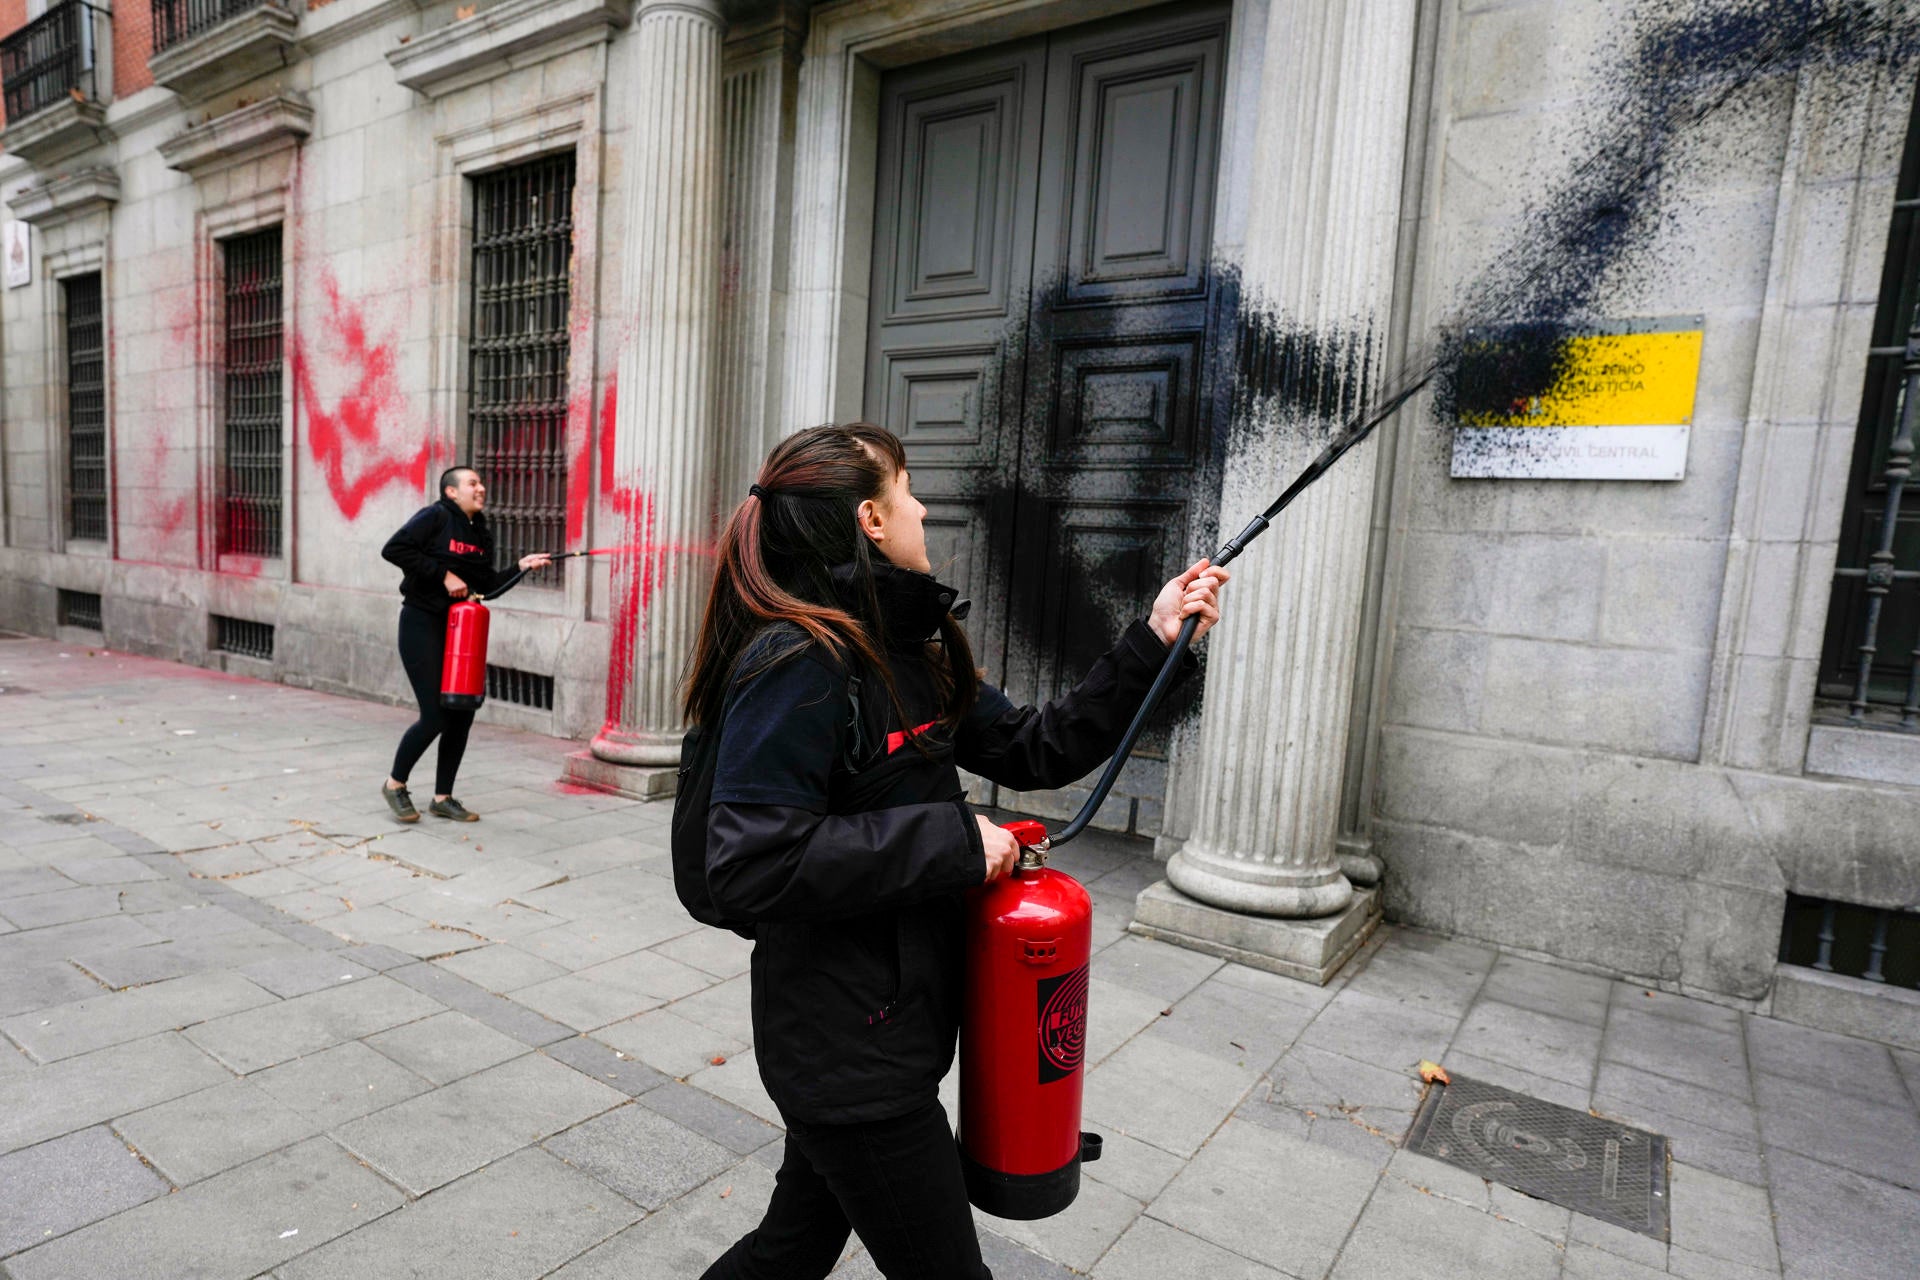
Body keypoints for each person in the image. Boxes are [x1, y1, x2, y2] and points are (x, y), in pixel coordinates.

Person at [687, 423, 1228, 1280]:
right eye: (909, 491)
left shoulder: (909, 647)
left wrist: (1153, 641)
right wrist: (953, 839)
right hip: (848, 1053)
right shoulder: (801, 660)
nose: (925, 507)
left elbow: (1032, 747)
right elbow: (750, 859)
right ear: (872, 517)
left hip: (890, 1027)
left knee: (788, 1251)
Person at [378, 466, 551, 822]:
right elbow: (393, 548)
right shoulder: (436, 516)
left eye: (481, 483)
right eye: (472, 483)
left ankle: (443, 797)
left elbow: (486, 587)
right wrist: (442, 574)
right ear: (452, 491)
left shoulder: (480, 533)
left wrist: (521, 567)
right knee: (436, 714)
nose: (481, 488)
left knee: (462, 711)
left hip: (460, 632)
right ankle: (395, 784)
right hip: (421, 624)